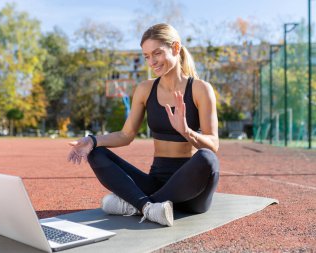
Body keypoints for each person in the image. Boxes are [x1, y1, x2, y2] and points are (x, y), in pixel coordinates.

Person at [68, 23, 219, 227]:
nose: (151, 62)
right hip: (156, 182)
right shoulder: (145, 89)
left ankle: (134, 204)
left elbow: (213, 144)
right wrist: (92, 140)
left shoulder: (201, 89)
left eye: (156, 53)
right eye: (147, 56)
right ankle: (148, 207)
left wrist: (187, 132)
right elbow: (125, 135)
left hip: (191, 191)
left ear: (175, 48)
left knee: (207, 158)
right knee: (96, 151)